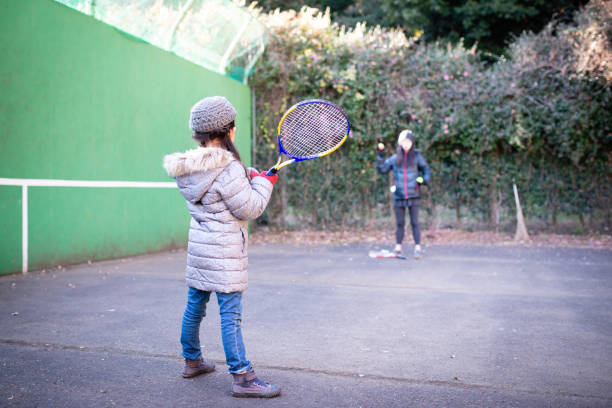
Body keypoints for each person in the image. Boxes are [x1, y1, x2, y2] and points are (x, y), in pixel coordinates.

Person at [163, 96, 281, 398]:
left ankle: (192, 361)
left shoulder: (189, 168)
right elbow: (251, 207)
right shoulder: (229, 169)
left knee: (194, 307)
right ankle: (243, 377)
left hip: (201, 251)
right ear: (228, 130)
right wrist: (265, 182)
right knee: (231, 315)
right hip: (225, 254)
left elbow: (221, 192)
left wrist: (249, 175)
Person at [376, 129, 431, 259]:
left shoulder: (417, 157)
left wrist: (423, 180)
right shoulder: (395, 158)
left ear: (412, 143)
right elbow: (383, 169)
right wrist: (380, 155)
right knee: (400, 223)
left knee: (415, 223)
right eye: (404, 142)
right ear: (400, 143)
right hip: (399, 196)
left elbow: (426, 170)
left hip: (414, 195)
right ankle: (398, 247)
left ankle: (418, 248)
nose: (406, 144)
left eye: (408, 141)